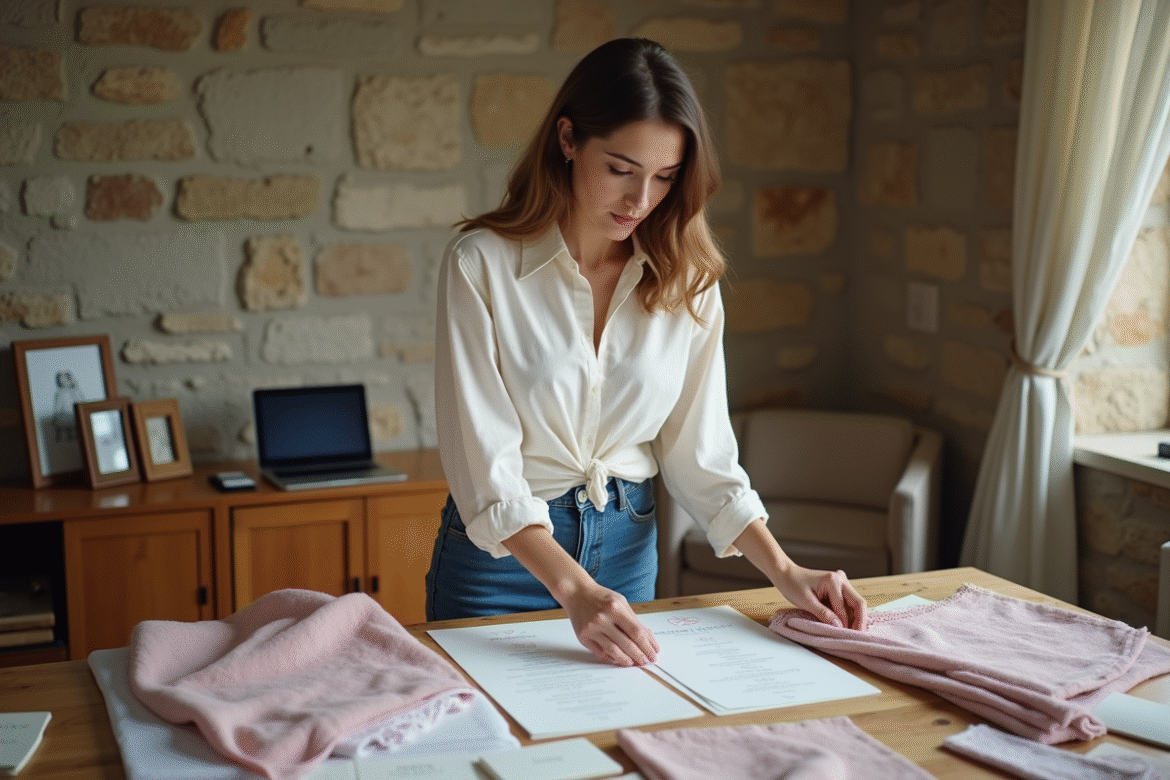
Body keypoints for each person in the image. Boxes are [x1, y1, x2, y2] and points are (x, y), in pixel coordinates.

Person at [427, 37, 867, 668]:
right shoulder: (481, 264)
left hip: (627, 552)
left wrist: (787, 571)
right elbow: (482, 461)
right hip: (499, 563)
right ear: (568, 139)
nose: (640, 201)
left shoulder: (689, 278)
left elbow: (701, 457)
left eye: (664, 178)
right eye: (621, 169)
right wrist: (574, 589)